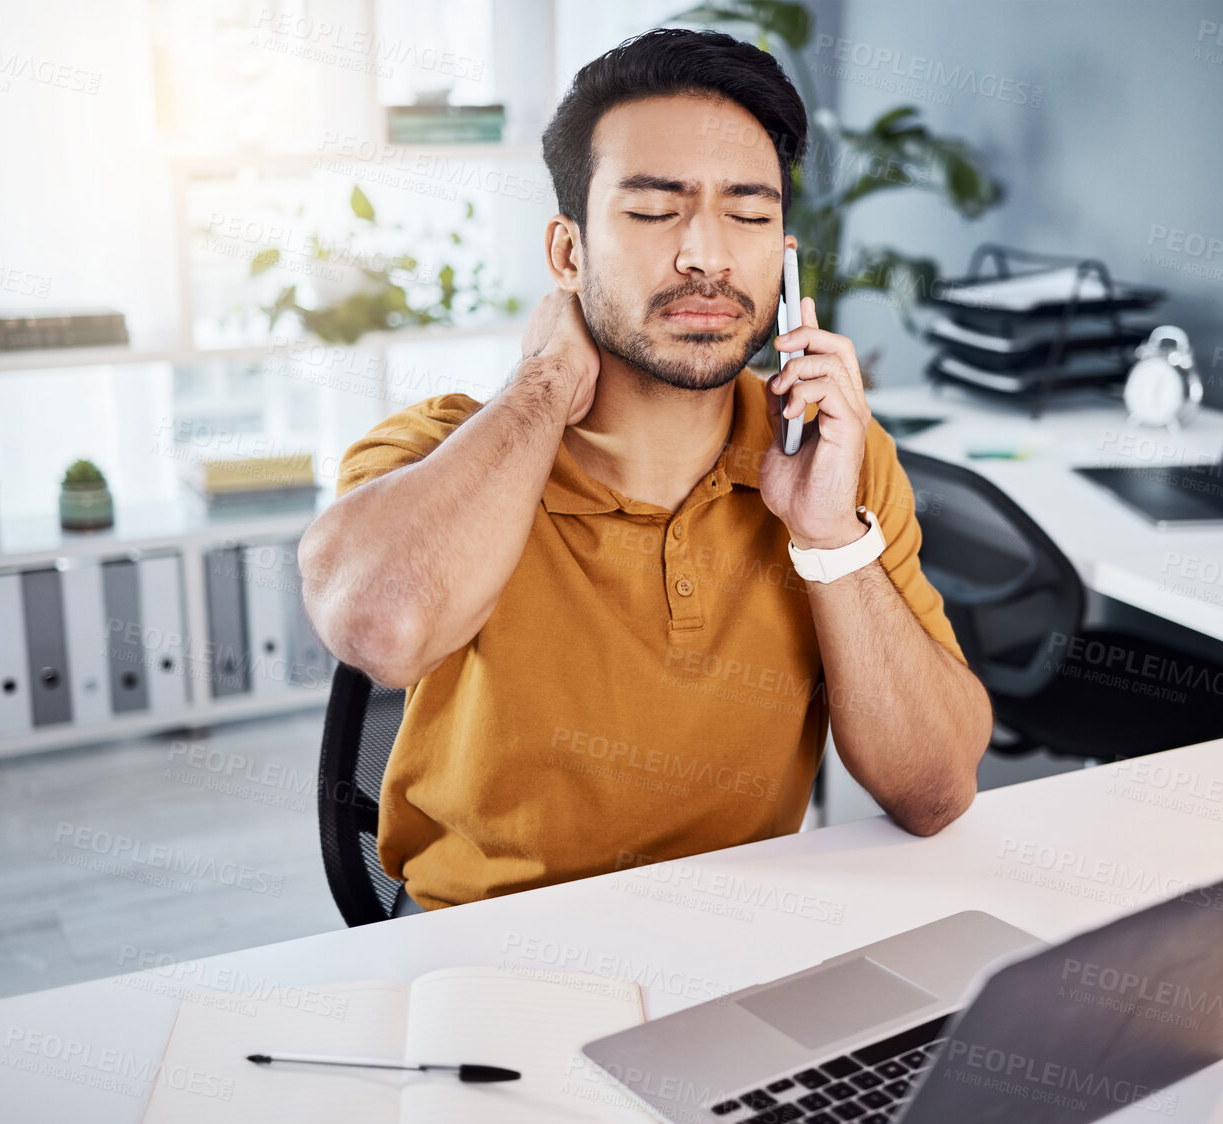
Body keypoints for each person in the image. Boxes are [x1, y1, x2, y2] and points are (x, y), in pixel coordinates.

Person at [299, 27, 992, 915]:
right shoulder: (439, 451)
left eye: (748, 214)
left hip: (732, 943)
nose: (706, 254)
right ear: (567, 253)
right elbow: (381, 630)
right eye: (655, 210)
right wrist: (544, 387)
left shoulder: (834, 460)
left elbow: (934, 793)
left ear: (783, 257)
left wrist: (827, 541)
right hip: (485, 951)